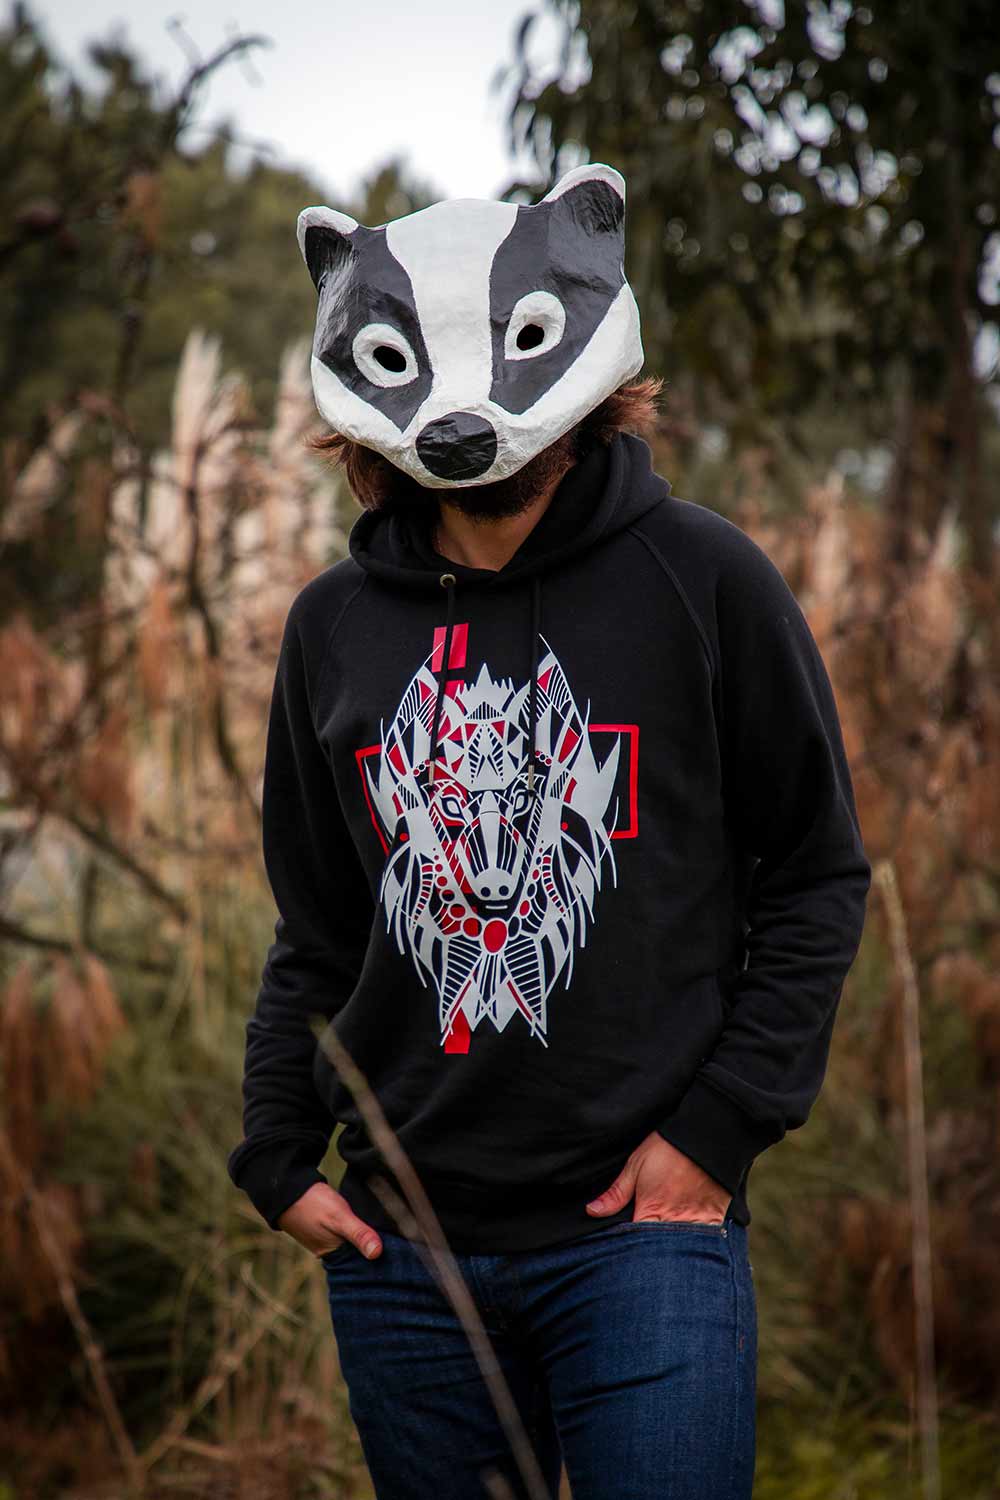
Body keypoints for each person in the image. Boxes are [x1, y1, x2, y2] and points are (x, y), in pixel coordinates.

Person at [227, 164, 872, 1500]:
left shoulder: (704, 578)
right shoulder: (331, 628)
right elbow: (321, 924)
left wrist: (719, 1131)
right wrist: (277, 1156)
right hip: (402, 1252)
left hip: (644, 1235)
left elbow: (816, 872)